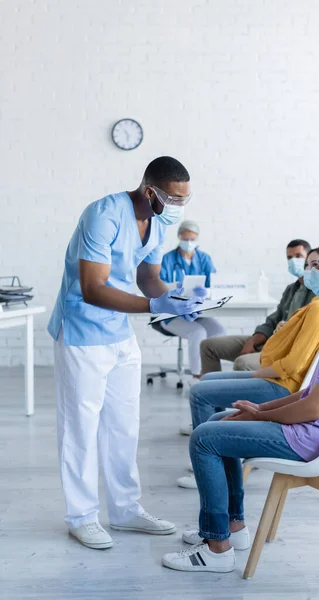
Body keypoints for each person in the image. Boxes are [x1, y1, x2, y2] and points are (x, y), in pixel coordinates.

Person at [162, 238, 319, 573]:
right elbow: (311, 392)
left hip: (309, 438)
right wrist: (259, 410)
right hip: (313, 430)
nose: (314, 269)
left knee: (204, 438)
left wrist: (262, 412)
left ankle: (216, 548)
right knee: (223, 420)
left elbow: (312, 410)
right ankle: (231, 529)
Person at [47, 156, 205, 550]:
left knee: (124, 423)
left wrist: (177, 296)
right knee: (81, 428)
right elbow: (93, 288)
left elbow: (147, 277)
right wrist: (155, 307)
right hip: (83, 331)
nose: (179, 208)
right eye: (174, 199)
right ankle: (82, 516)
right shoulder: (103, 215)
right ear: (151, 191)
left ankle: (125, 509)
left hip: (118, 334)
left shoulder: (157, 221)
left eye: (185, 199)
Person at [177, 247, 319, 489]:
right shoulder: (308, 300)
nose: (310, 270)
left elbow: (294, 364)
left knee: (200, 392)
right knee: (207, 379)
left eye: (317, 266)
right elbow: (283, 329)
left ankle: (208, 463)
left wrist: (257, 372)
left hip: (282, 384)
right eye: (310, 265)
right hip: (279, 374)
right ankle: (212, 458)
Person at [200, 239, 315, 375]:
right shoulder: (291, 289)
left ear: (309, 258)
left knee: (242, 363)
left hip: (285, 349)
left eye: (298, 256)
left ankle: (241, 395)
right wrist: (252, 341)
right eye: (289, 258)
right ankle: (211, 392)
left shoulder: (317, 294)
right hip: (270, 341)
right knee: (208, 346)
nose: (293, 261)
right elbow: (273, 320)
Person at [159, 220, 225, 378]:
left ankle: (213, 374)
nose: (189, 243)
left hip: (197, 313)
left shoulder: (205, 259)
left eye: (192, 239)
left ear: (197, 239)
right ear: (179, 237)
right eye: (185, 239)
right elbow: (160, 288)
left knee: (220, 331)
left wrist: (205, 291)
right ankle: (198, 376)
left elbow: (214, 285)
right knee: (198, 332)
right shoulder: (167, 259)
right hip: (171, 315)